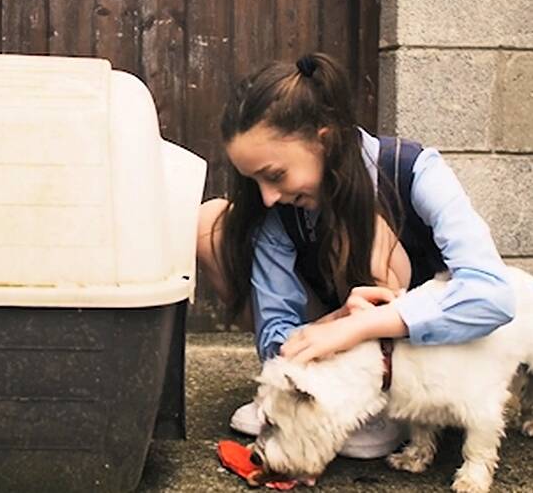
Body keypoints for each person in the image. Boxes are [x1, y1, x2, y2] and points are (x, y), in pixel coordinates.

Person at [197, 52, 514, 457]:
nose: (267, 195)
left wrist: (363, 327)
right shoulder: (278, 207)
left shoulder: (414, 170)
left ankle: (381, 404)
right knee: (212, 222)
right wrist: (330, 326)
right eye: (254, 179)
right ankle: (306, 395)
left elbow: (493, 295)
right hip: (340, 325)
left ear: (324, 140)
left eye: (275, 174)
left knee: (363, 221)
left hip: (420, 355)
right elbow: (276, 325)